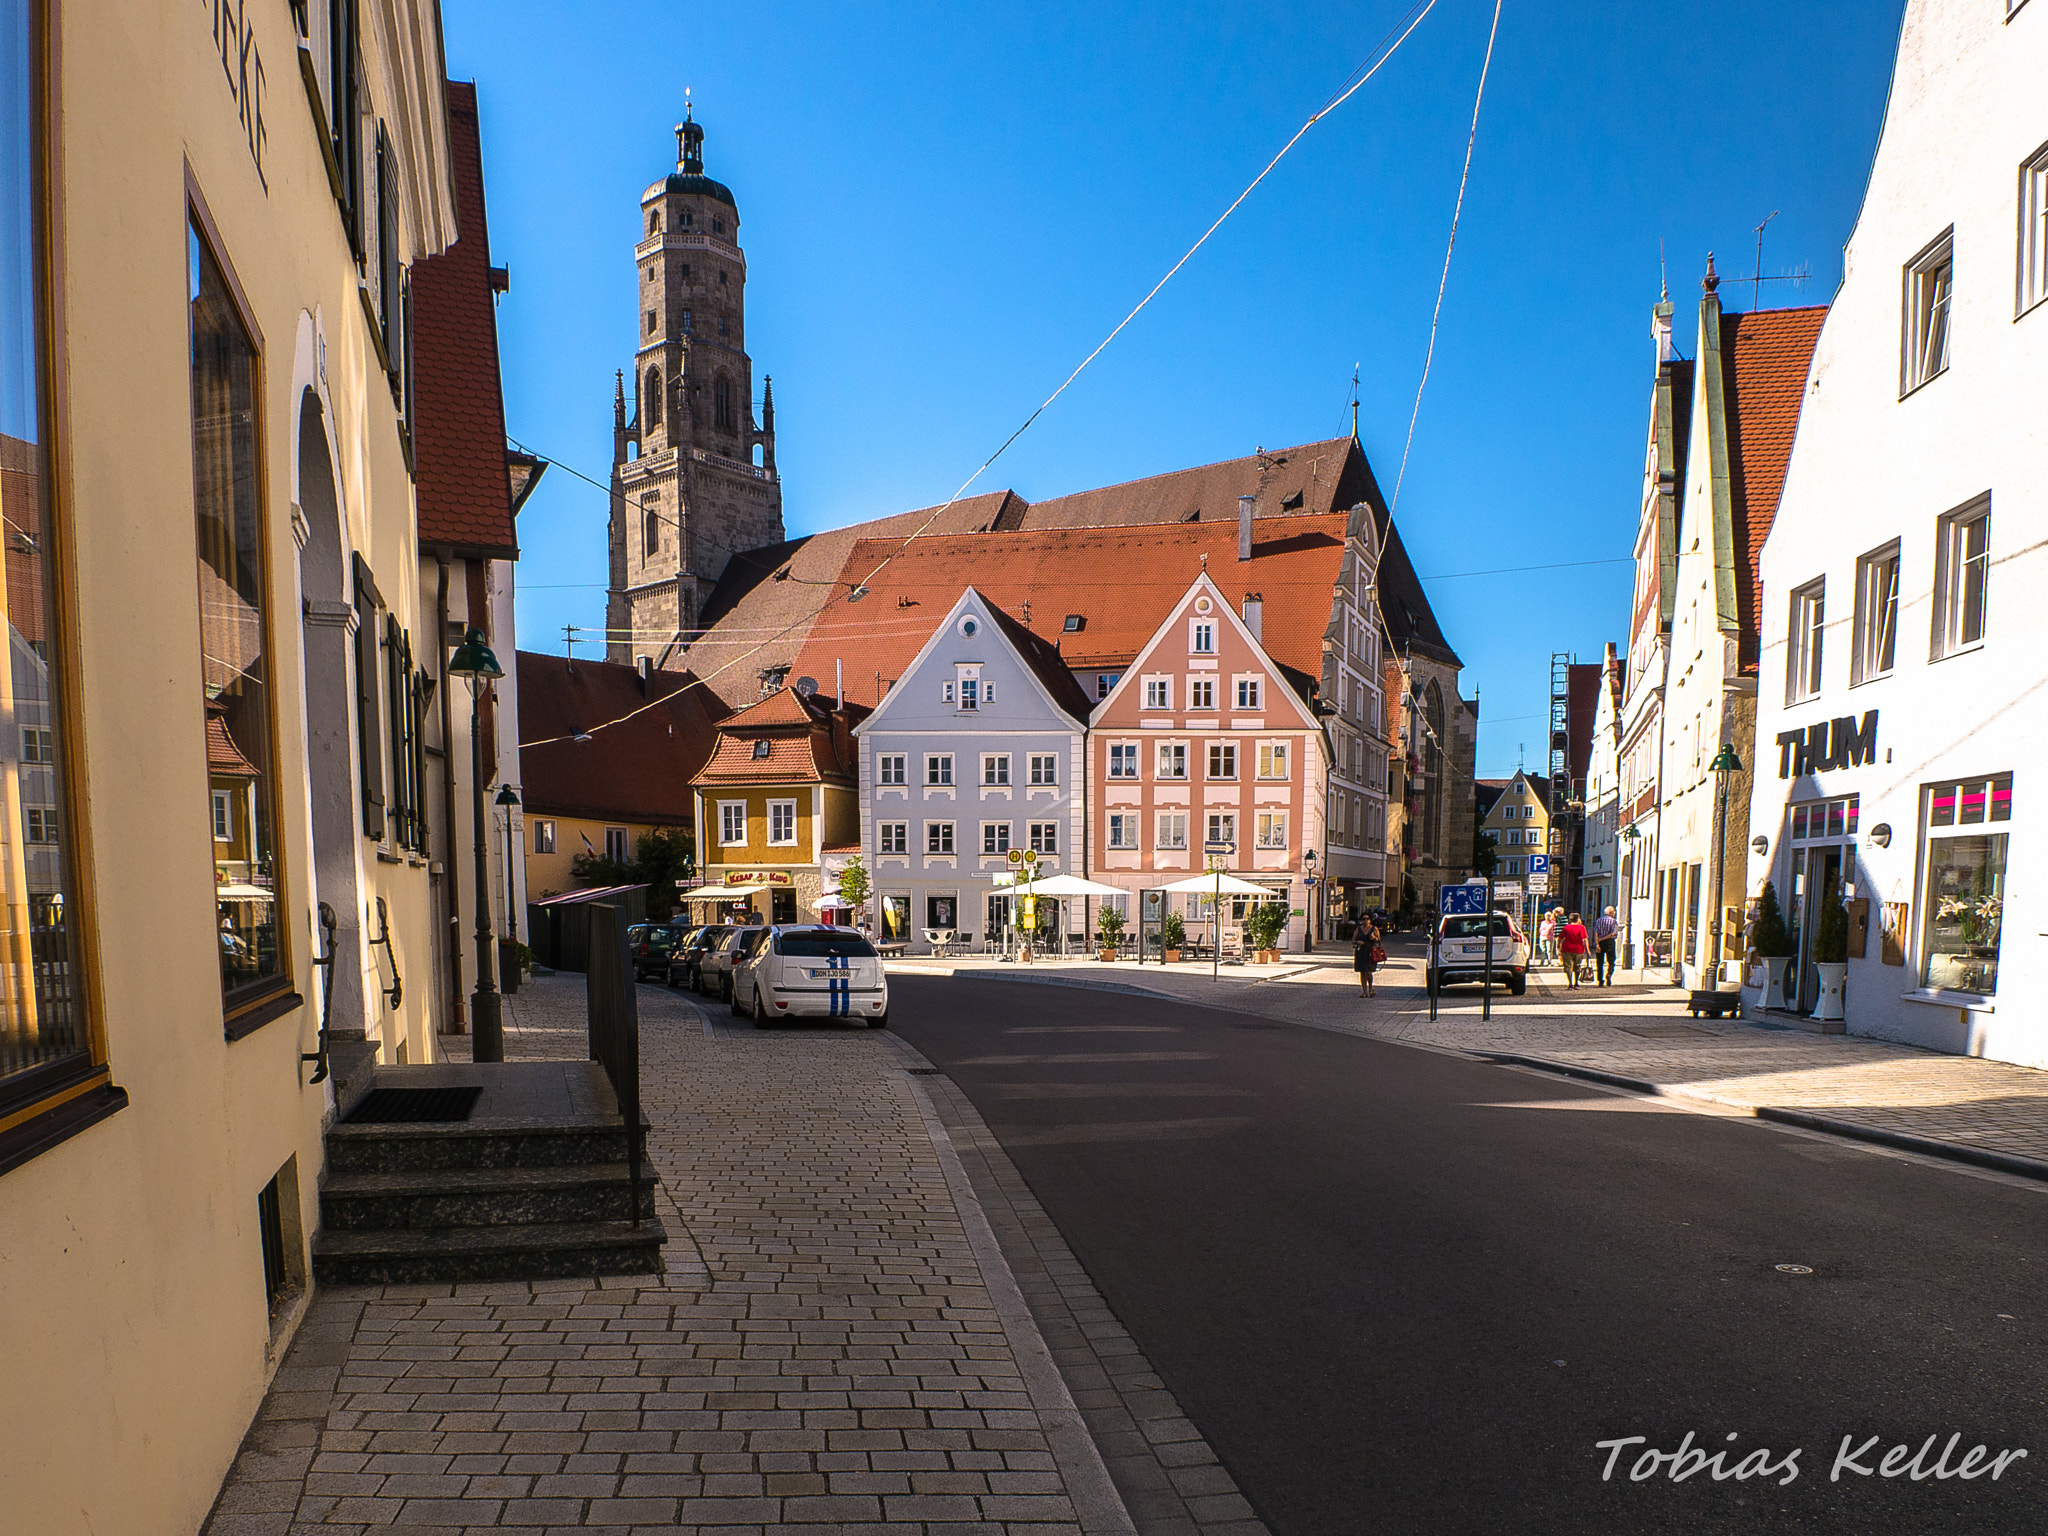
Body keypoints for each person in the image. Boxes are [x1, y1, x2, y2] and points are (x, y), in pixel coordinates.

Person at [1353, 916, 1383, 998]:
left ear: (1370, 920)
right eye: (1363, 919)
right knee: (1362, 972)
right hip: (1360, 952)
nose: (1365, 920)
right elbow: (1353, 941)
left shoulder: (1374, 928)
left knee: (1368, 971)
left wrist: (1374, 938)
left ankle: (1370, 988)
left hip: (1370, 952)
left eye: (1367, 919)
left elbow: (1379, 940)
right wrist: (1357, 942)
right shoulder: (1358, 929)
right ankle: (1364, 991)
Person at [1559, 911, 1591, 988]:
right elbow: (1585, 939)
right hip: (1578, 949)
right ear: (1578, 919)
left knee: (1568, 966)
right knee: (1577, 966)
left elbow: (1560, 937)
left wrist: (1558, 946)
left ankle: (1570, 983)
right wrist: (1588, 950)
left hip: (1566, 949)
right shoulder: (1582, 927)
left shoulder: (1566, 927)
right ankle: (1576, 982)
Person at [1594, 905, 1619, 986]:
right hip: (1609, 942)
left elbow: (1596, 932)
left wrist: (1597, 943)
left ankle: (1600, 980)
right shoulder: (1613, 921)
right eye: (1614, 911)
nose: (1614, 913)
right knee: (1611, 961)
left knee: (1599, 962)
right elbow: (1613, 933)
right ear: (1611, 913)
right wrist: (1602, 939)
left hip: (1600, 943)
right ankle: (1608, 975)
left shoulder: (1599, 920)